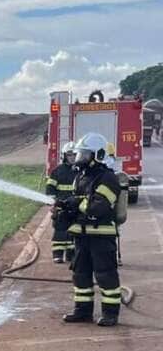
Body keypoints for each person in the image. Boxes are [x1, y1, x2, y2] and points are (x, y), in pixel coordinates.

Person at [55, 132, 123, 327]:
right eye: (80, 154)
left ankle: (110, 314)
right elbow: (79, 204)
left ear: (98, 155)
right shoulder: (81, 177)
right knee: (80, 274)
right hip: (82, 236)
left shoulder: (108, 178)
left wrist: (75, 203)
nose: (80, 158)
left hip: (102, 236)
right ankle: (82, 311)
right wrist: (63, 210)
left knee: (105, 275)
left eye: (85, 155)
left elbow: (98, 207)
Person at [46, 141, 77, 263]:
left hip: (75, 207)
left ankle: (71, 255)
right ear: (64, 156)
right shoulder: (57, 171)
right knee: (60, 231)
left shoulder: (81, 170)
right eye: (70, 155)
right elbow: (50, 188)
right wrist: (52, 202)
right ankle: (57, 255)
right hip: (60, 207)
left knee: (74, 231)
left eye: (75, 155)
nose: (72, 157)